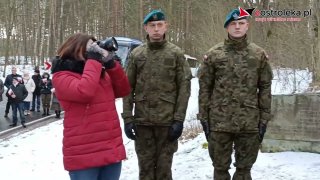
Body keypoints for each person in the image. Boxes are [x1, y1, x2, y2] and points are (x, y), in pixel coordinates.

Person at [197, 8, 273, 180]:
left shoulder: (258, 55)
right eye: (233, 24)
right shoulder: (214, 54)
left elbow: (265, 88)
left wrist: (264, 119)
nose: (237, 27)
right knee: (220, 169)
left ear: (247, 26)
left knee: (244, 170)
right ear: (227, 27)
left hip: (249, 122)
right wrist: (203, 117)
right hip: (219, 123)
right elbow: (205, 88)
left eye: (241, 23)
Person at [122, 9, 192, 180]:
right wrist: (127, 119)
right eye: (152, 25)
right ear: (146, 28)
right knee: (145, 170)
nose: (156, 29)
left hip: (167, 123)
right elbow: (127, 88)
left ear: (166, 27)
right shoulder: (137, 54)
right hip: (142, 122)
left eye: (159, 25)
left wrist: (178, 119)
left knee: (164, 170)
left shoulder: (175, 54)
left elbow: (184, 88)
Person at [51, 32, 131, 180]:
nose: (95, 50)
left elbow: (123, 90)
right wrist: (94, 60)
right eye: (90, 47)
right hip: (83, 153)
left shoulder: (100, 73)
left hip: (109, 147)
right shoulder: (61, 76)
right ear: (76, 49)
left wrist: (111, 65)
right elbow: (84, 92)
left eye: (95, 47)